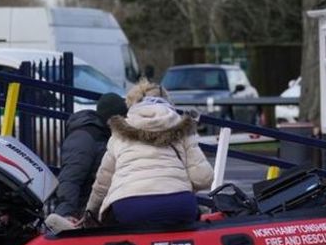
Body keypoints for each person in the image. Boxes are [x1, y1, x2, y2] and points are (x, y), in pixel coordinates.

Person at [85, 95, 214, 225]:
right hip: (179, 204)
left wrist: (90, 211)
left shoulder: (119, 134)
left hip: (129, 206)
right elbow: (203, 178)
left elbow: (103, 182)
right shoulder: (182, 130)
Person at [45, 92, 128, 233]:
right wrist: (65, 215)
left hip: (98, 208)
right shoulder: (85, 138)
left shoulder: (104, 135)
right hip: (84, 211)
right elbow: (70, 179)